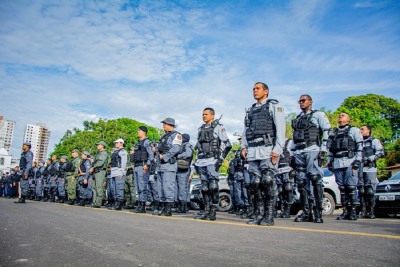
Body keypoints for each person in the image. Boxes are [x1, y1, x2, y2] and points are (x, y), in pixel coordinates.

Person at [241, 82, 285, 226]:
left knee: (267, 181)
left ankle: (269, 215)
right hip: (253, 150)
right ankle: (259, 214)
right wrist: (244, 146)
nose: (254, 91)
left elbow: (280, 128)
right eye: (253, 89)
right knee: (255, 183)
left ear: (266, 91)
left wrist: (278, 149)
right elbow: (246, 130)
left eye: (257, 89)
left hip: (268, 148)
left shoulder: (273, 106)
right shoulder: (250, 110)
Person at [292, 95, 331, 223]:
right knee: (301, 183)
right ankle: (306, 212)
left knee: (315, 179)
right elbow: (294, 137)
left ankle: (318, 212)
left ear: (310, 102)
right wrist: (292, 154)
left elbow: (327, 131)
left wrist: (323, 150)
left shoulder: (318, 115)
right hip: (299, 151)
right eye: (300, 101)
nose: (301, 103)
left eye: (303, 101)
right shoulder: (298, 118)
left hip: (313, 149)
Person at [195, 109, 232, 221]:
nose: (204, 116)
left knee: (213, 187)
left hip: (212, 160)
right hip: (201, 161)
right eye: (203, 114)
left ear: (212, 115)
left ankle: (213, 211)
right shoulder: (200, 129)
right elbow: (198, 147)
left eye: (206, 114)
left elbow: (228, 145)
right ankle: (206, 210)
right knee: (204, 188)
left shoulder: (219, 127)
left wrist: (220, 160)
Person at [327, 112, 363, 221]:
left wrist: (357, 161)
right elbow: (329, 149)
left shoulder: (354, 130)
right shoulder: (334, 132)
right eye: (339, 115)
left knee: (351, 187)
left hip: (350, 162)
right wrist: (329, 162)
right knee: (342, 188)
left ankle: (352, 212)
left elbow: (360, 146)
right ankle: (345, 211)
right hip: (337, 163)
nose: (340, 116)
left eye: (343, 115)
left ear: (349, 118)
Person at [155, 118, 182, 216]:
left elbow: (176, 148)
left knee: (168, 187)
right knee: (160, 187)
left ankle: (168, 208)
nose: (163, 125)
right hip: (161, 165)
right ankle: (162, 207)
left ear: (171, 124)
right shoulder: (163, 136)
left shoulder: (176, 135)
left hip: (169, 164)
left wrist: (164, 156)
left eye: (165, 124)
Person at [358, 125, 384, 219]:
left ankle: (371, 212)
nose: (360, 130)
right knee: (361, 191)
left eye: (362, 129)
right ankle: (363, 211)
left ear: (368, 131)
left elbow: (380, 152)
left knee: (370, 191)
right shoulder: (359, 142)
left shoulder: (374, 141)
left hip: (370, 169)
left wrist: (370, 159)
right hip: (360, 169)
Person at [132, 126, 154, 213]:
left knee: (143, 187)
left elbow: (151, 155)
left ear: (144, 132)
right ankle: (139, 205)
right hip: (137, 166)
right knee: (138, 187)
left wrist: (147, 165)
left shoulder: (147, 142)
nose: (138, 132)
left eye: (139, 130)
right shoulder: (138, 143)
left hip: (143, 166)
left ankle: (142, 206)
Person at [275, 139, 294, 218]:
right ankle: (283, 210)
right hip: (278, 170)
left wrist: (294, 169)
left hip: (287, 169)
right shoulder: (275, 143)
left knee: (288, 189)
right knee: (279, 190)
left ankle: (287, 210)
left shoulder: (289, 142)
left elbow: (293, 155)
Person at [175, 133, 194, 213]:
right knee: (177, 187)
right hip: (178, 168)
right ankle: (179, 204)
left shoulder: (187, 145)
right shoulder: (181, 145)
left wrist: (177, 156)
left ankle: (183, 205)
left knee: (182, 187)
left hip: (183, 168)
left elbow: (188, 154)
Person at [109, 139, 128, 211]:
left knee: (119, 188)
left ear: (121, 143)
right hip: (114, 171)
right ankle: (116, 203)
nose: (115, 144)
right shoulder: (116, 151)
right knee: (114, 188)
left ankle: (119, 204)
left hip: (119, 171)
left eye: (117, 143)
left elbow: (123, 163)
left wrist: (121, 172)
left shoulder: (123, 152)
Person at [90, 141, 109, 208]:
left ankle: (98, 203)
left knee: (99, 187)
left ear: (102, 146)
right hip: (96, 171)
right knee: (94, 187)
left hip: (100, 171)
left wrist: (93, 167)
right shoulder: (99, 153)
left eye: (98, 145)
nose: (97, 146)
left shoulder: (104, 153)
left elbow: (100, 163)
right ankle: (95, 202)